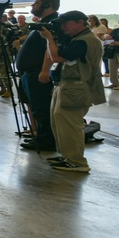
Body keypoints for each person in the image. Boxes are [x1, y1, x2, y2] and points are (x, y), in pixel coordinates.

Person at [41, 11, 105, 172]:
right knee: (60, 123)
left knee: (70, 124)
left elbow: (56, 57)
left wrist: (50, 39)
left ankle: (77, 161)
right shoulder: (78, 39)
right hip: (67, 86)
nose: (62, 27)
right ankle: (67, 156)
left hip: (76, 88)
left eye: (65, 23)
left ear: (80, 22)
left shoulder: (85, 41)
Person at [16, 0, 60, 151]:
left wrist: (44, 70)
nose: (32, 6)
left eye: (36, 3)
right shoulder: (42, 23)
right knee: (34, 106)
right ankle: (39, 134)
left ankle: (46, 140)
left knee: (41, 109)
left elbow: (48, 50)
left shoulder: (52, 24)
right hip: (29, 73)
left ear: (47, 5)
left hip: (37, 73)